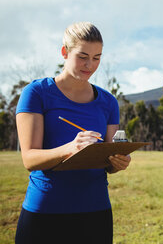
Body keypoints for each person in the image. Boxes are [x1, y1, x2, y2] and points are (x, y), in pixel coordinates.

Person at [15, 22, 130, 244]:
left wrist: (117, 162)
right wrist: (70, 148)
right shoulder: (37, 93)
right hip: (45, 211)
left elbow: (107, 159)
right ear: (64, 52)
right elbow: (29, 158)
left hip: (96, 212)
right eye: (83, 56)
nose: (90, 65)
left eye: (97, 58)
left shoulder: (108, 102)